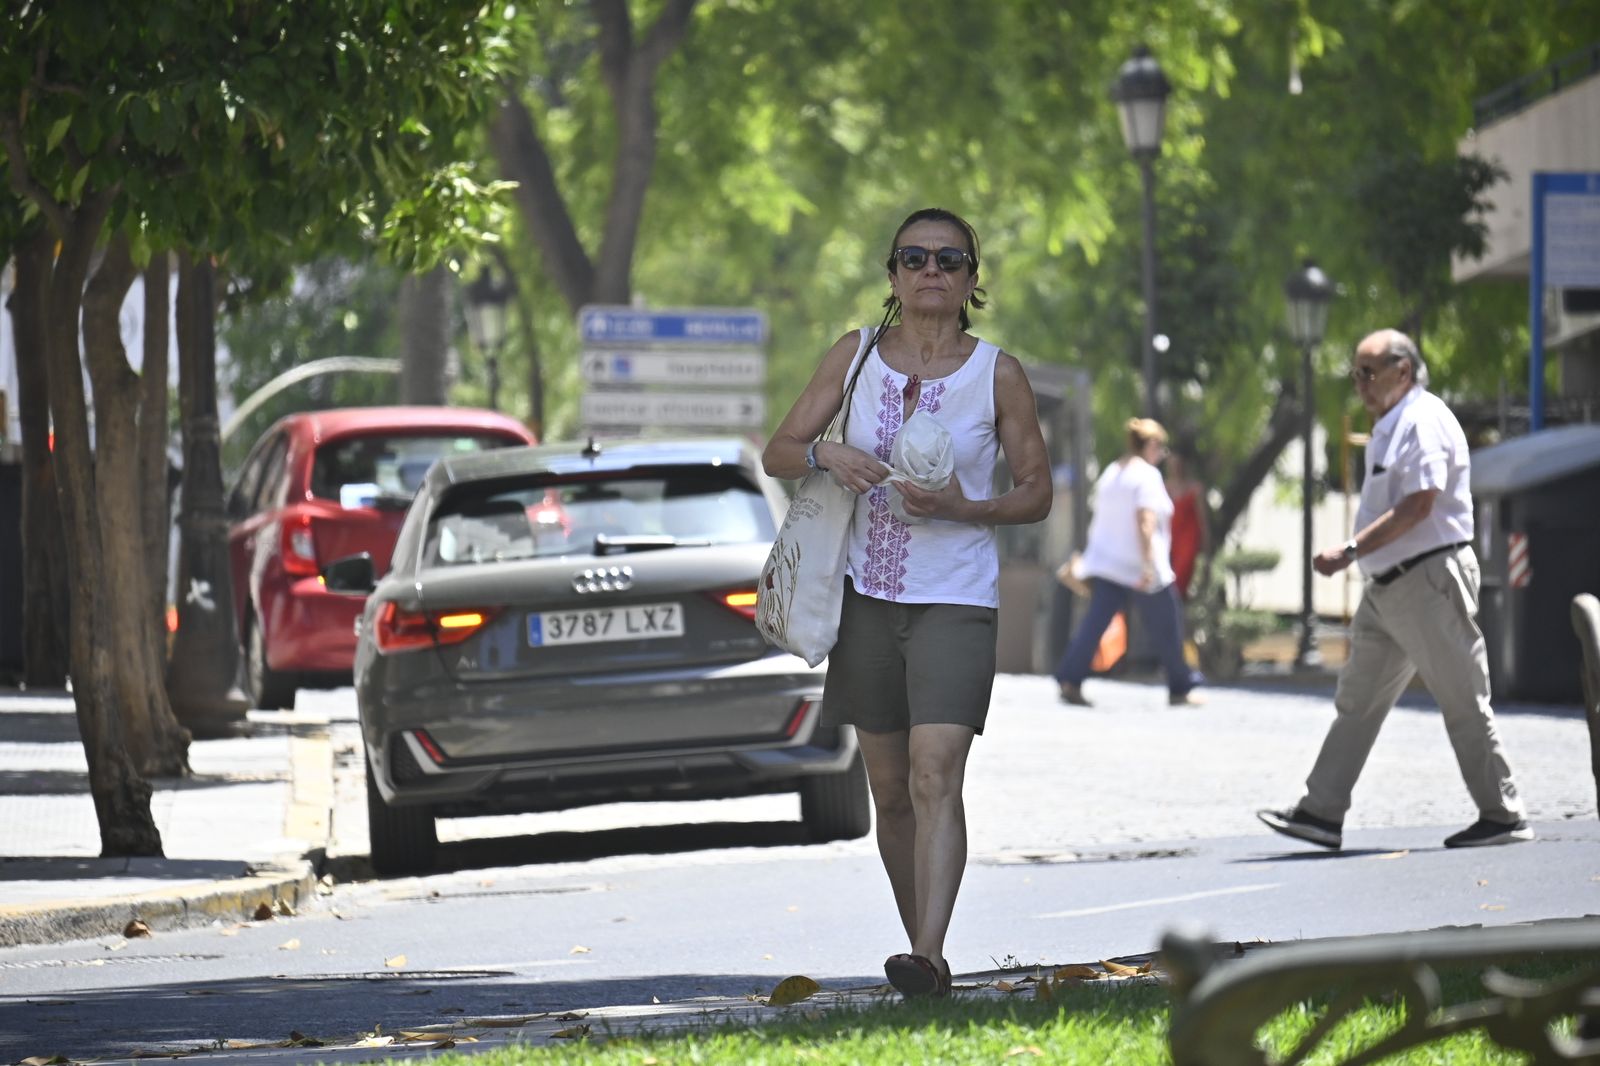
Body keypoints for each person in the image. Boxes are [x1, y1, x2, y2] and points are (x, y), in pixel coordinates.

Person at [762, 207, 1051, 998]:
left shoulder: (998, 374)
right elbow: (778, 450)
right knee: (887, 788)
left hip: (955, 600)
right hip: (864, 598)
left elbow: (1036, 495)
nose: (931, 271)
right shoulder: (854, 357)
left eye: (949, 260)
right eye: (914, 258)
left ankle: (927, 953)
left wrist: (964, 508)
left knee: (934, 774)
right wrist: (830, 452)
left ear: (970, 282)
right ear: (892, 274)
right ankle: (921, 955)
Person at [1258, 329, 1532, 851]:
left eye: (1368, 372)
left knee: (1462, 699)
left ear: (1402, 371)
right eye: (1356, 373)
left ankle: (1504, 814)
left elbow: (1420, 502)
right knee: (1357, 702)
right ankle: (1322, 811)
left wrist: (1351, 550)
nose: (1359, 384)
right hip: (1389, 590)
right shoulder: (1391, 424)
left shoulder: (1421, 421)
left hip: (1427, 580)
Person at [1053, 418, 1205, 708]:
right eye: (1160, 447)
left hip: (1108, 562)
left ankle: (1070, 678)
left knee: (1094, 624)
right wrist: (1149, 564)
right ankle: (1180, 687)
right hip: (1138, 567)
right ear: (1149, 445)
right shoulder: (1146, 476)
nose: (1162, 454)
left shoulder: (1112, 472)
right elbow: (1145, 521)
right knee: (1168, 623)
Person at [1164, 443, 1208, 600]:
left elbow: (1203, 521)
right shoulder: (1162, 487)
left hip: (1187, 544)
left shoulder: (1195, 489)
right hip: (1167, 542)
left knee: (1177, 586)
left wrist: (1206, 547)